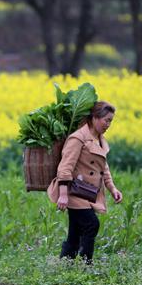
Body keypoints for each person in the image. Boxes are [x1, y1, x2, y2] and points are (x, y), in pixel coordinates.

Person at [46, 101, 123, 264]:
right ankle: (86, 264)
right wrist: (64, 195)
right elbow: (65, 168)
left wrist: (113, 189)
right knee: (91, 224)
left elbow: (104, 168)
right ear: (95, 118)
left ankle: (65, 263)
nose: (108, 125)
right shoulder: (78, 138)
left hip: (88, 192)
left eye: (111, 121)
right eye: (106, 120)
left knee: (75, 231)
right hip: (74, 191)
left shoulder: (99, 139)